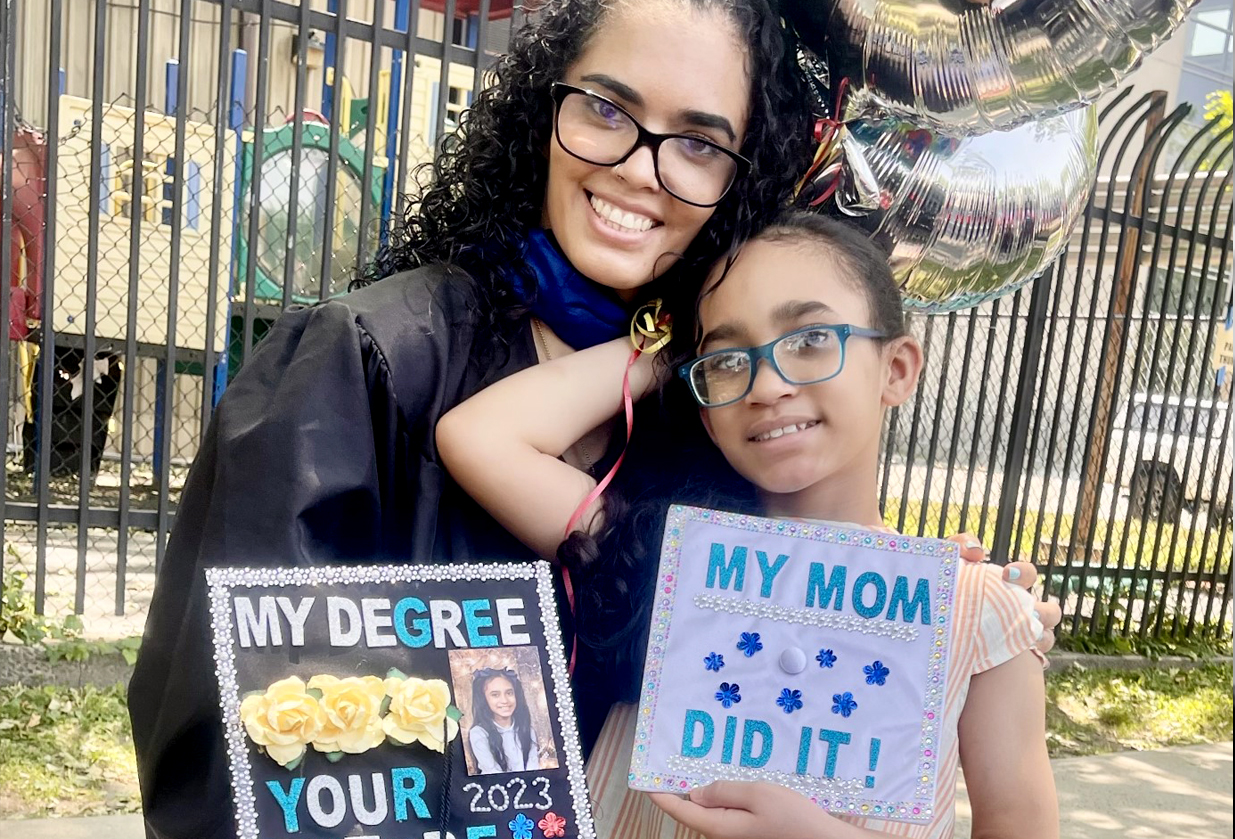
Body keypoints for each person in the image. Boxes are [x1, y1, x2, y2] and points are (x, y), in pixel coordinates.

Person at [127, 0, 1055, 835]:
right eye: (606, 109)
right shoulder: (370, 359)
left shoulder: (708, 420)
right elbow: (223, 745)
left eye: (698, 142)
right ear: (547, 112)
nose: (638, 168)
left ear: (741, 175)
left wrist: (954, 610)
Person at [436, 210, 1059, 838]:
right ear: (705, 407)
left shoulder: (976, 612)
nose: (765, 385)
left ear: (896, 369)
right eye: (729, 360)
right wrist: (669, 347)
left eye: (811, 340)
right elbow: (479, 437)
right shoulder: (669, 558)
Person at [467, 668, 541, 774]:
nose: (505, 700)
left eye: (509, 693)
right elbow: (492, 771)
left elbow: (533, 767)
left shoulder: (527, 731)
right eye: (495, 695)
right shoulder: (478, 733)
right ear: (484, 699)